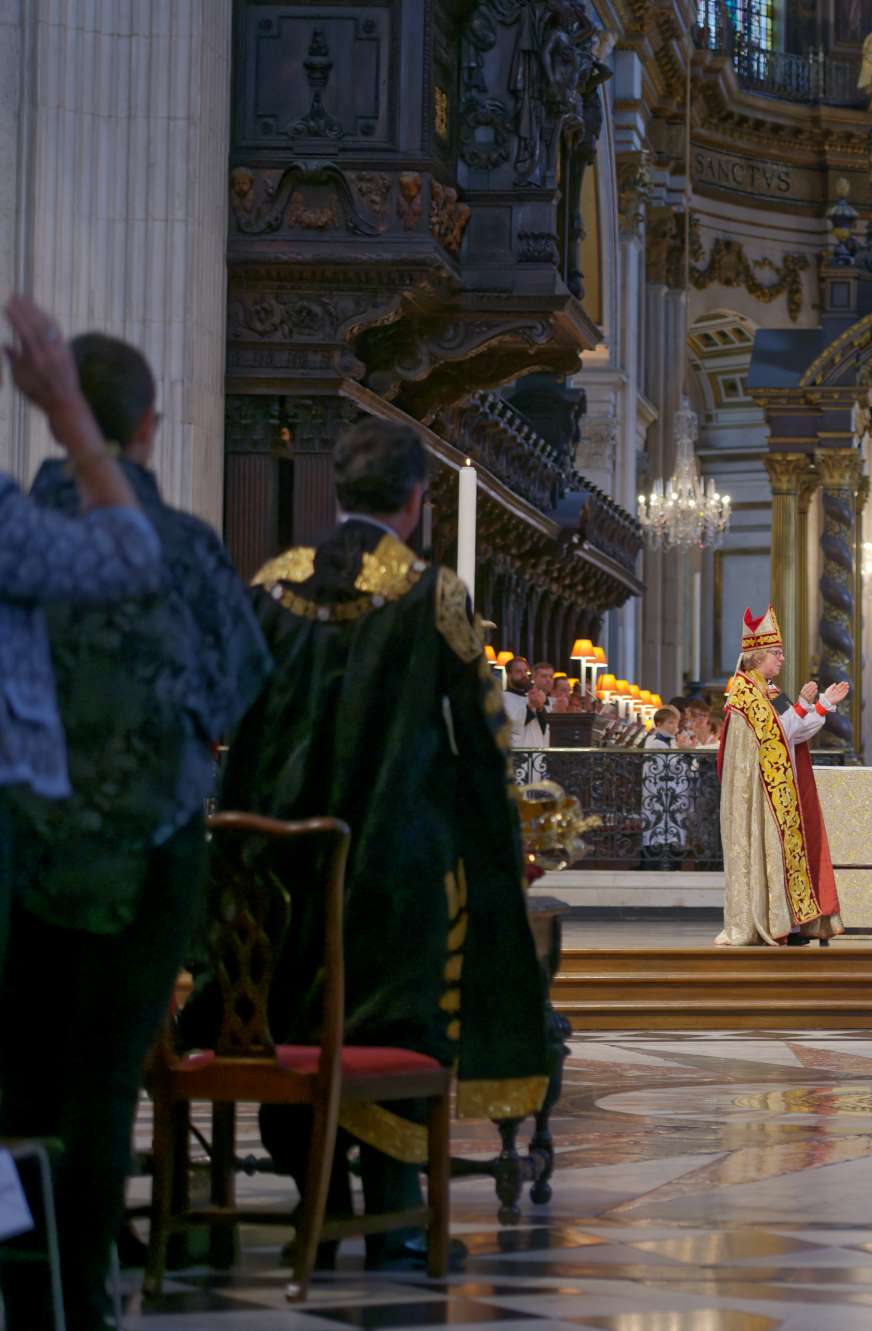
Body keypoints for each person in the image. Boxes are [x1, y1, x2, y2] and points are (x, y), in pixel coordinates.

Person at [211, 419, 550, 1269]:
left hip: (279, 862)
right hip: (393, 869)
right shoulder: (431, 593)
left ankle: (315, 1199)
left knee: (297, 1011)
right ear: (416, 502)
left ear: (336, 492)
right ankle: (394, 1216)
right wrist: (497, 849)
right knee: (394, 1022)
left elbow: (239, 724)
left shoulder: (271, 582)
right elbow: (482, 742)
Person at [0, 312, 183, 1329]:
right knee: (49, 1088)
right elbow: (125, 556)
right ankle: (44, 1295)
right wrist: (69, 416)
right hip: (69, 841)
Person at [716, 607, 848, 945]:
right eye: (776, 653)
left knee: (783, 856)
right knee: (769, 854)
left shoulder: (768, 690)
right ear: (758, 656)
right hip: (761, 795)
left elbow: (793, 733)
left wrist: (822, 705)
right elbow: (775, 734)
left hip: (776, 789)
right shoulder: (747, 694)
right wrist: (806, 705)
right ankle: (769, 922)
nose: (782, 658)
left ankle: (786, 922)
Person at [502, 655, 549, 748]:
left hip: (537, 751)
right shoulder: (503, 698)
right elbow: (512, 725)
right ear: (509, 674)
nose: (524, 675)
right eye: (518, 671)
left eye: (525, 671)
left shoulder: (532, 696)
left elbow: (545, 726)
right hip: (518, 752)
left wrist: (540, 708)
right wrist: (531, 706)